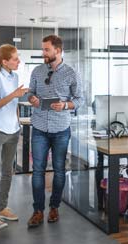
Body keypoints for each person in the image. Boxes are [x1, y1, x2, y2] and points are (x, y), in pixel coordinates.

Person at [25, 35, 83, 228]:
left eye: (46, 50)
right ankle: (38, 210)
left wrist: (66, 105)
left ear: (57, 51)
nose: (43, 53)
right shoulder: (37, 70)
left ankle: (54, 207)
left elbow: (80, 99)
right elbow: (30, 92)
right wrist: (32, 98)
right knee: (38, 171)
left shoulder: (71, 73)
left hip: (61, 128)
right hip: (40, 126)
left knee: (59, 170)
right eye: (43, 49)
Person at [0, 44, 28, 230]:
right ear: (4, 61)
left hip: (13, 130)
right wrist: (14, 94)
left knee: (8, 172)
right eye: (15, 59)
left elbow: (14, 103)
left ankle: (1, 208)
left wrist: (18, 123)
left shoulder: (15, 76)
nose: (18, 62)